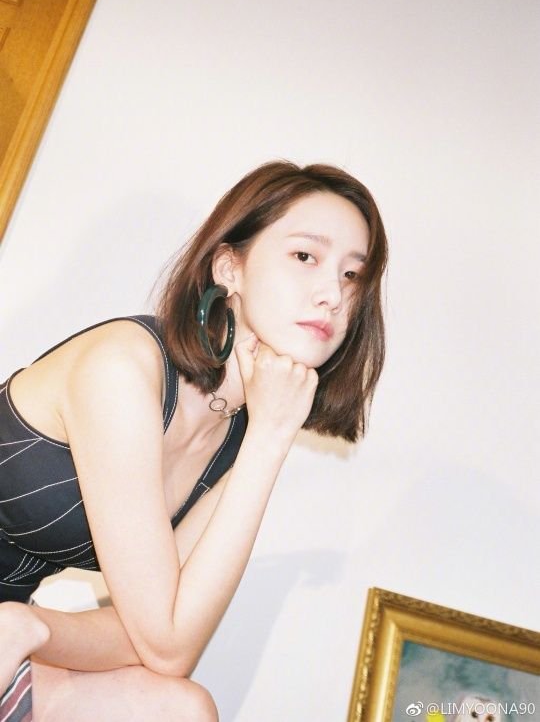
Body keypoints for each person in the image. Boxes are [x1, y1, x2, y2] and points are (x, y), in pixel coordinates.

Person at [0, 160, 387, 721]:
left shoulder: (244, 432)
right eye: (306, 257)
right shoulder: (123, 368)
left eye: (352, 275)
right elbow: (161, 643)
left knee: (182, 709)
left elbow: (167, 643)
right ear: (229, 267)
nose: (332, 293)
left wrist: (31, 625)